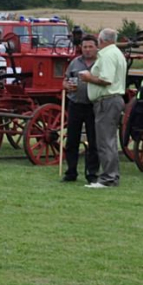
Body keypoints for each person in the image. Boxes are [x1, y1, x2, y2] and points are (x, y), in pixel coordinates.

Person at [78, 28, 127, 188]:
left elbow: (106, 80)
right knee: (109, 140)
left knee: (105, 141)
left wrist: (88, 77)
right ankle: (111, 176)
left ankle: (108, 178)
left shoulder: (107, 55)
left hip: (107, 100)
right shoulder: (117, 53)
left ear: (101, 40)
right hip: (112, 100)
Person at [61, 35, 100, 183]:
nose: (88, 50)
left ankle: (92, 174)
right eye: (85, 47)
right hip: (75, 104)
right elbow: (65, 79)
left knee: (93, 141)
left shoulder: (100, 63)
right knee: (72, 140)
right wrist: (65, 85)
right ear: (81, 48)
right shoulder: (74, 63)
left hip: (93, 105)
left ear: (96, 47)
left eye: (91, 47)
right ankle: (71, 172)